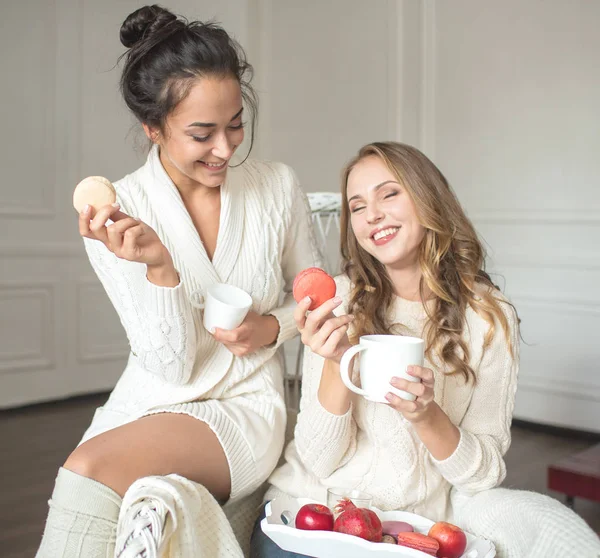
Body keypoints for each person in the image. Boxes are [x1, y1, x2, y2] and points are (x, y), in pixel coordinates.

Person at [36, 5, 321, 557]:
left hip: (245, 403)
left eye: (235, 123)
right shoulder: (120, 211)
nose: (225, 148)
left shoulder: (277, 187)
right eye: (201, 133)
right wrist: (161, 271)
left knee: (88, 468)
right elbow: (170, 366)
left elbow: (320, 293)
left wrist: (271, 328)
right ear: (152, 128)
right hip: (150, 400)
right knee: (87, 476)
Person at [250, 142, 600, 557]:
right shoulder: (338, 302)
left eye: (389, 194)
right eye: (357, 206)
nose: (372, 215)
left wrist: (426, 415)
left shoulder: (488, 317)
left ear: (427, 197)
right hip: (311, 518)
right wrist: (336, 361)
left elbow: (482, 474)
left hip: (405, 533)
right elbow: (319, 462)